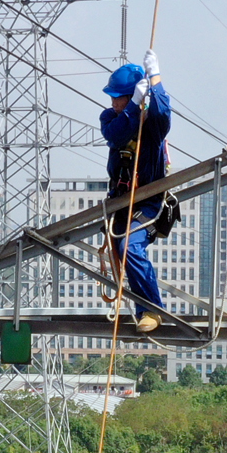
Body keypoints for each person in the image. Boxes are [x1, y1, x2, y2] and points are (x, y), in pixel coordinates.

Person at [100, 54, 173, 333]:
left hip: (150, 202)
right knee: (121, 249)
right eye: (115, 98)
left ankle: (151, 311)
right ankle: (141, 304)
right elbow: (116, 135)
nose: (114, 103)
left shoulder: (152, 127)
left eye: (119, 97)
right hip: (120, 203)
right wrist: (131, 105)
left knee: (129, 246)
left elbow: (163, 112)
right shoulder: (111, 118)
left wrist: (156, 79)